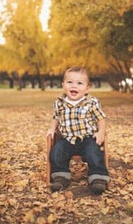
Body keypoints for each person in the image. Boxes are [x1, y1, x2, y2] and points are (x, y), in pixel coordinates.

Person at [46, 66, 109, 194]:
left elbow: (100, 118)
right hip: (67, 139)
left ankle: (98, 178)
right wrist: (52, 128)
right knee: (57, 152)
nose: (74, 86)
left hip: (87, 138)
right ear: (63, 85)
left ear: (87, 88)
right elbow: (56, 117)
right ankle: (60, 176)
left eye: (79, 83)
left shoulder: (91, 102)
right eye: (70, 82)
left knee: (94, 153)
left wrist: (101, 132)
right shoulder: (59, 103)